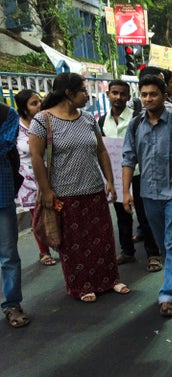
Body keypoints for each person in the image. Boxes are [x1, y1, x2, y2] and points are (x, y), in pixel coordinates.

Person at [28, 72, 130, 303]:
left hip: (94, 189)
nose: (87, 95)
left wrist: (110, 181)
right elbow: (36, 156)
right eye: (83, 90)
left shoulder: (87, 118)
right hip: (64, 193)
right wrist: (46, 190)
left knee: (102, 238)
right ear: (69, 93)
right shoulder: (42, 120)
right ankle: (81, 285)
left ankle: (109, 280)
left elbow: (101, 150)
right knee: (74, 244)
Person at [122, 74, 172, 317]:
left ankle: (166, 295)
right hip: (148, 194)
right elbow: (128, 159)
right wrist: (125, 192)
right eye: (144, 94)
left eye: (153, 94)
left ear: (164, 96)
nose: (148, 99)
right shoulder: (135, 125)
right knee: (165, 244)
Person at [98, 79, 162, 272]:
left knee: (145, 215)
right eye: (114, 93)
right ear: (108, 94)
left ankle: (153, 254)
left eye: (122, 94)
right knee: (121, 214)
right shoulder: (102, 121)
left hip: (139, 174)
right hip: (116, 175)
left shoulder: (138, 119)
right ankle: (127, 251)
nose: (118, 97)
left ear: (128, 96)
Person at [14, 89, 57, 266]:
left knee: (56, 209)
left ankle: (59, 243)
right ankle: (44, 251)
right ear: (24, 109)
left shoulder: (47, 121)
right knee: (37, 215)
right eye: (34, 103)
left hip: (50, 173)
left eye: (40, 101)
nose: (39, 105)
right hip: (28, 178)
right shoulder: (16, 127)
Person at [1, 102, 29, 327]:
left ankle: (11, 304)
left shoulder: (6, 113)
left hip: (1, 195)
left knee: (9, 254)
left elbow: (4, 144)